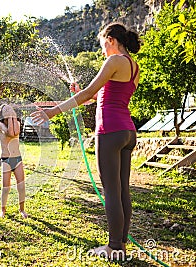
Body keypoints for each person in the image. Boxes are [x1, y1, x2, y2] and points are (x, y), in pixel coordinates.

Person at [31, 22, 141, 260]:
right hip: (127, 132)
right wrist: (80, 92)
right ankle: (121, 244)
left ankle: (113, 248)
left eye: (102, 44)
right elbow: (101, 97)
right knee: (122, 191)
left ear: (110, 39)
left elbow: (89, 94)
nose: (102, 50)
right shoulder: (133, 66)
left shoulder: (113, 61)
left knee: (111, 191)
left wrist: (52, 112)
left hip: (110, 131)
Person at [0, 104, 28, 219]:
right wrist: (9, 118)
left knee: (21, 185)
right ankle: (2, 210)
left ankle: (22, 209)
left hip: (17, 159)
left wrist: (13, 118)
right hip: (6, 160)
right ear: (2, 114)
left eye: (11, 110)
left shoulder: (17, 123)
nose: (10, 111)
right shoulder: (0, 125)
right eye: (7, 111)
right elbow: (9, 133)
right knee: (6, 187)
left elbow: (15, 133)